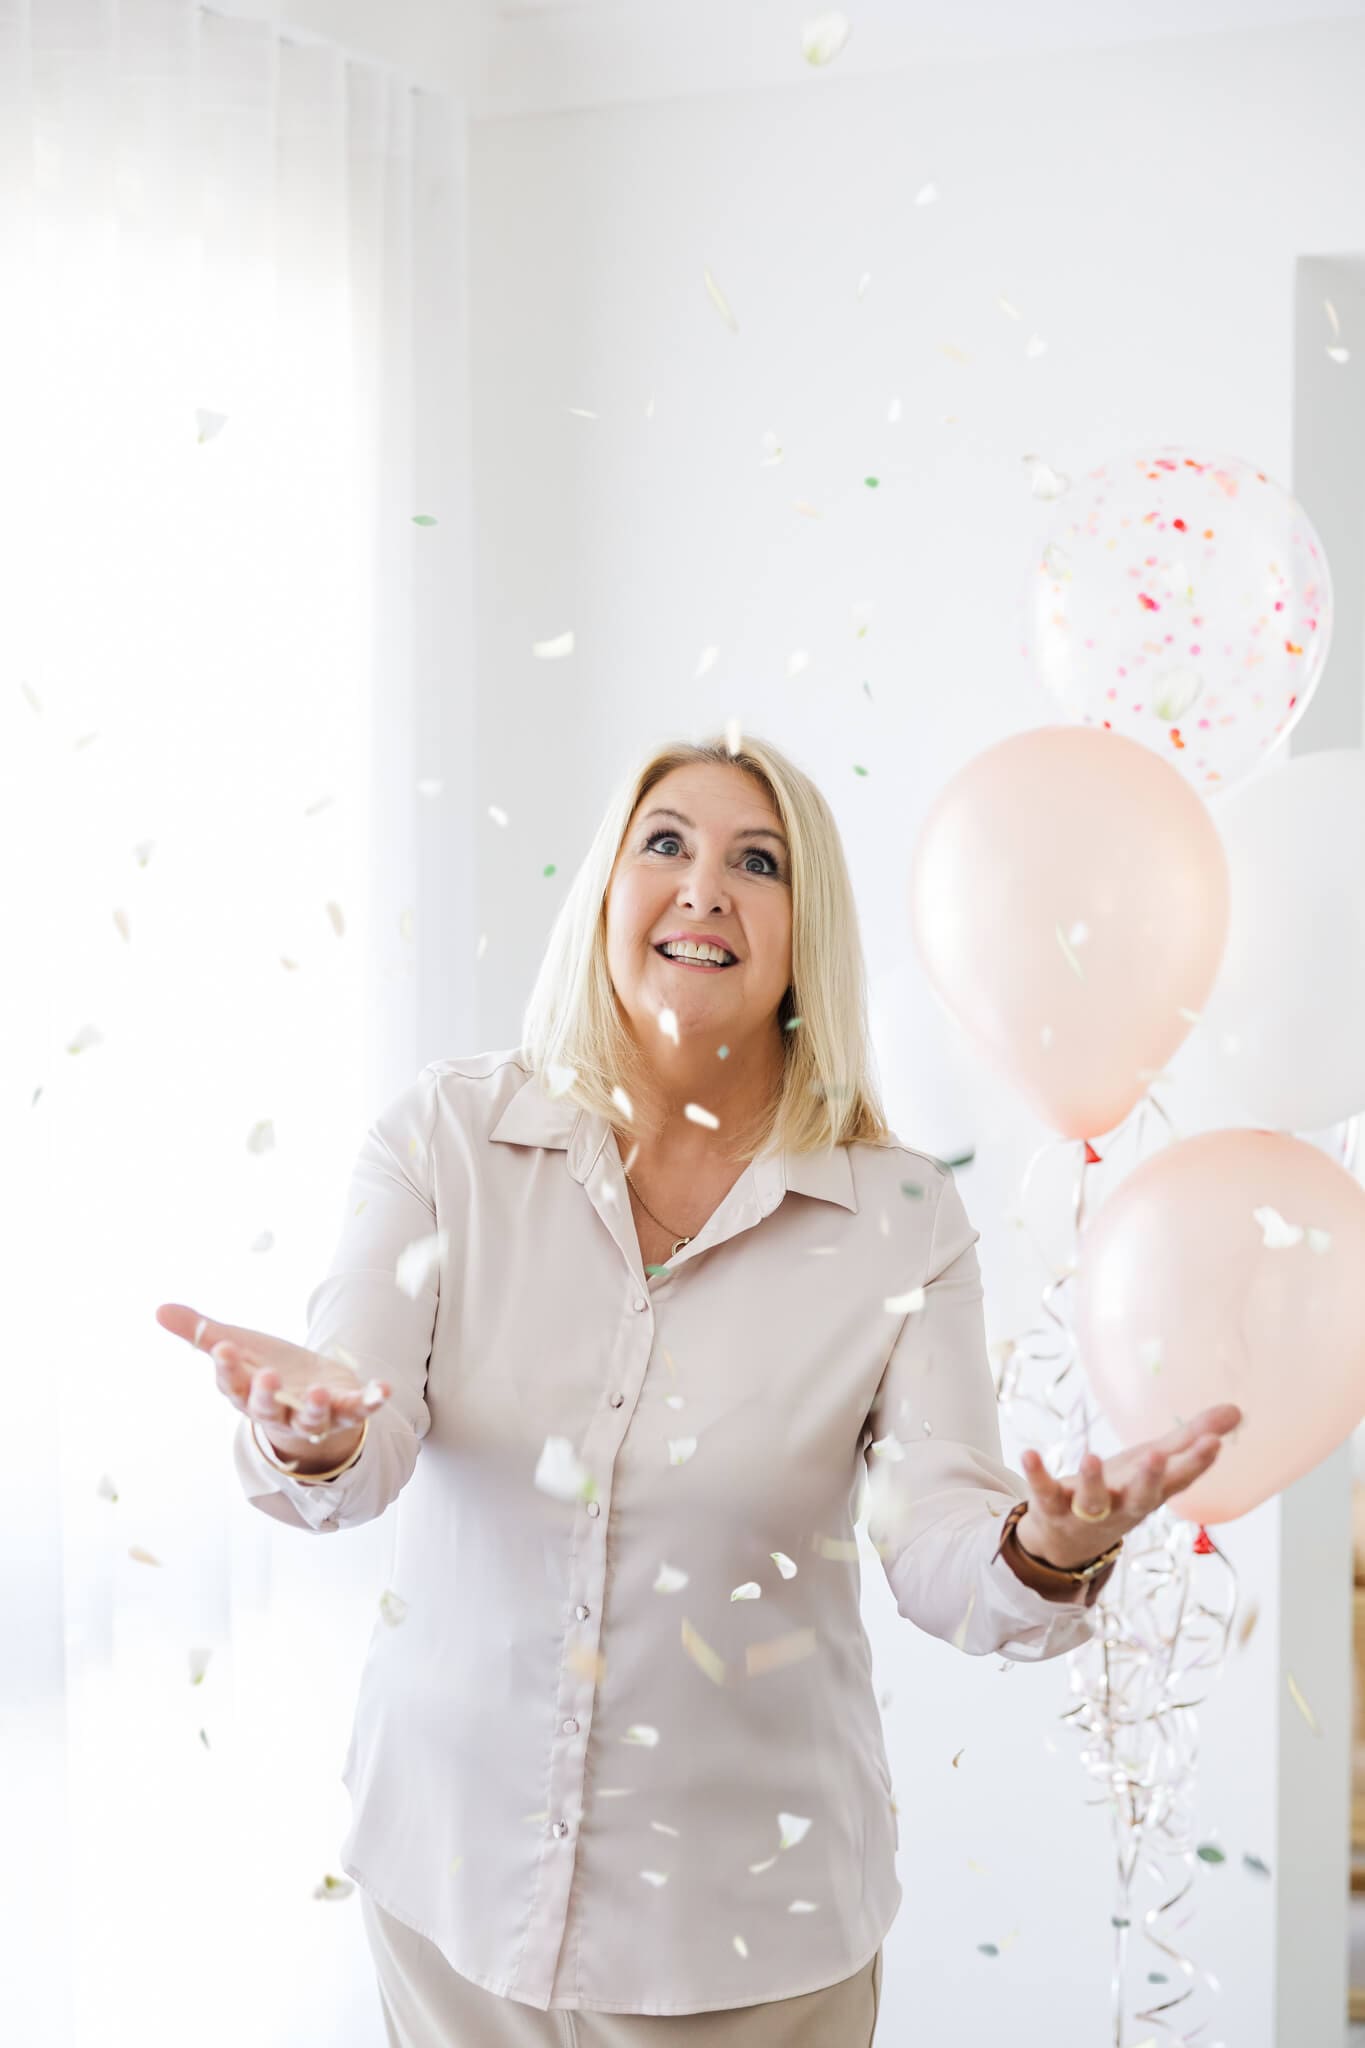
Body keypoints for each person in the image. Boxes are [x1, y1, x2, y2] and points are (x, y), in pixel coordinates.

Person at [156, 732, 1239, 2047]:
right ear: (606, 890)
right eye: (663, 841)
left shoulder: (899, 1218)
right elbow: (359, 1437)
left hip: (746, 1952)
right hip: (448, 1900)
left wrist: (1049, 1550)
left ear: (803, 935)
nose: (703, 886)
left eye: (757, 861)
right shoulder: (442, 1139)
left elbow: (940, 1548)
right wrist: (311, 1435)